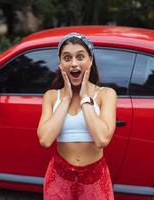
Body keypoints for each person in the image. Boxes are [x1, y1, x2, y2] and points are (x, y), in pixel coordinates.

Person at [37, 32, 117, 200]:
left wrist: (85, 98)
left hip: (95, 178)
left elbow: (102, 139)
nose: (74, 63)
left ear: (90, 60)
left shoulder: (106, 94)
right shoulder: (51, 96)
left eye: (80, 57)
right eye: (67, 58)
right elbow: (45, 140)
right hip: (59, 176)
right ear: (60, 64)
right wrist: (66, 98)